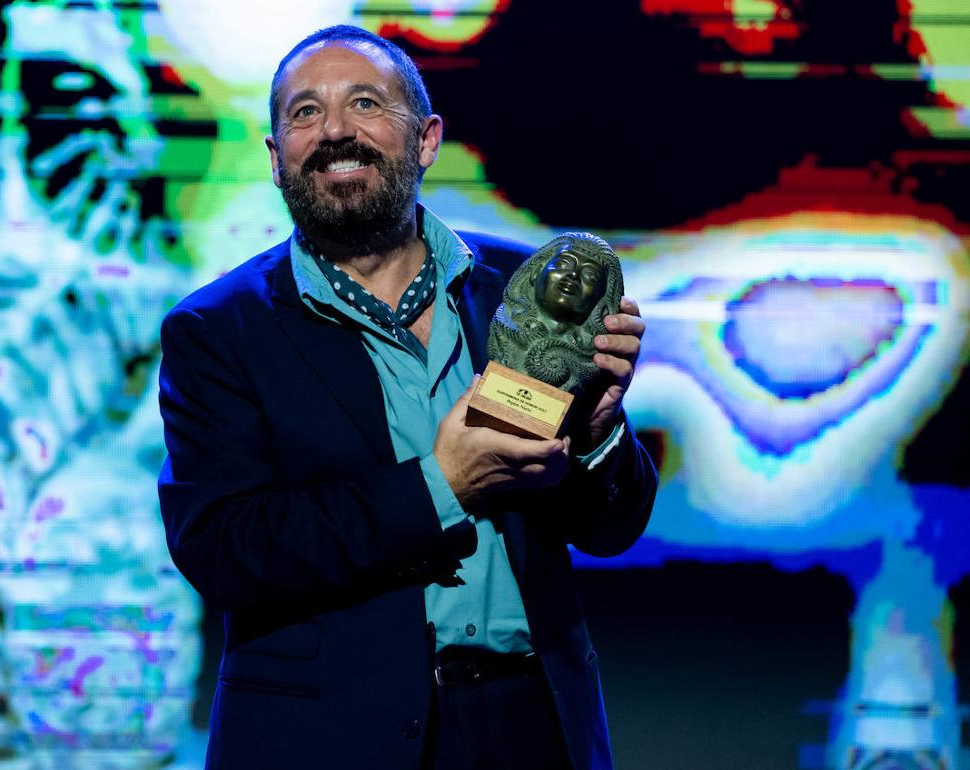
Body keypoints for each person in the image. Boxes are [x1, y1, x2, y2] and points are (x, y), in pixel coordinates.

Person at [157, 24, 657, 770]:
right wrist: (441, 486)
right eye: (303, 113)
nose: (333, 130)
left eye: (364, 103)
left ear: (425, 139)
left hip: (533, 725)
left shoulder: (521, 296)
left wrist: (600, 430)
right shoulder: (219, 330)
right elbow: (228, 549)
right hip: (327, 739)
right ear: (274, 157)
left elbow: (610, 529)